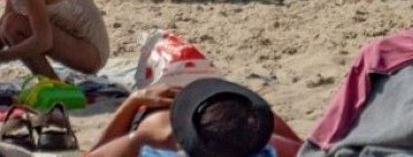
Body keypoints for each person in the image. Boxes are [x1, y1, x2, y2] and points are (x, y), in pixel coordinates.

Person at [88, 78, 303, 157]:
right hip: (232, 115)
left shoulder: (156, 138)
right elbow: (310, 150)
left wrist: (133, 102)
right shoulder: (260, 140)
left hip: (157, 114)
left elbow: (92, 154)